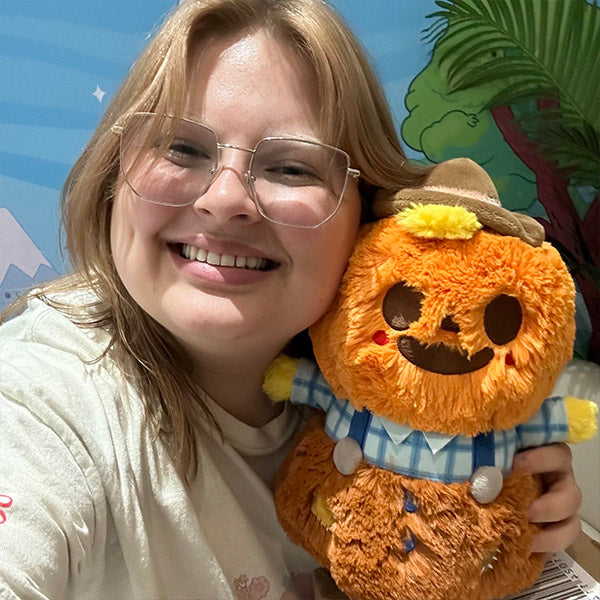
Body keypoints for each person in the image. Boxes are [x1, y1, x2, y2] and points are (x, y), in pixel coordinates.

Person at [0, 1, 582, 599]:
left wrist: (526, 512)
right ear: (114, 173)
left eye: (292, 168)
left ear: (367, 217)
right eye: (182, 148)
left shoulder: (390, 390)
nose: (225, 200)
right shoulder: (39, 401)